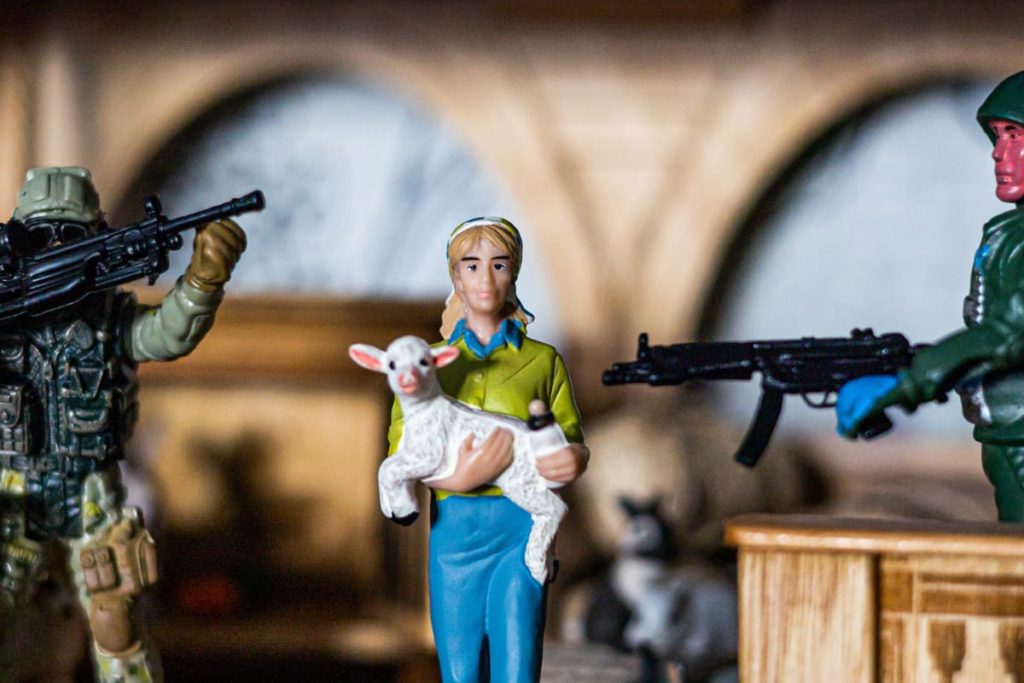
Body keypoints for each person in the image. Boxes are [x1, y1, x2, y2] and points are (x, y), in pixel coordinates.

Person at [0, 166, 247, 682]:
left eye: (72, 237)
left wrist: (202, 282)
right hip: (15, 496)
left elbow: (165, 335)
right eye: (43, 237)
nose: (58, 248)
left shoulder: (107, 319)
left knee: (117, 627)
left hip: (93, 497)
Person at [387, 217, 588, 682]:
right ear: (455, 276)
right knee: (460, 668)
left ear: (513, 273)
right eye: (471, 265)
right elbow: (403, 450)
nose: (485, 278)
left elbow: (571, 439)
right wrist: (458, 477)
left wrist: (569, 459)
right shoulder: (424, 362)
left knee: (517, 660)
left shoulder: (542, 361)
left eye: (498, 265)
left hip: (520, 527)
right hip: (454, 535)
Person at [837, 72, 1024, 522]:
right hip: (1006, 437)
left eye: (1015, 135)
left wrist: (907, 384)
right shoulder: (1009, 234)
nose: (998, 153)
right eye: (997, 136)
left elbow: (1007, 335)